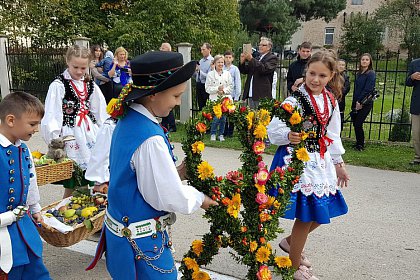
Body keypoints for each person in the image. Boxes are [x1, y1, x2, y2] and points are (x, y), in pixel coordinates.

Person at [86, 51, 218, 279]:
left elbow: (137, 179)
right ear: (154, 94)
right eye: (176, 96)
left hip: (121, 239)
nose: (178, 103)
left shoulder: (126, 120)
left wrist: (176, 173)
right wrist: (202, 199)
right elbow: (167, 196)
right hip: (141, 245)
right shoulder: (150, 138)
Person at [267, 51, 350, 280]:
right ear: (306, 72)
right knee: (306, 215)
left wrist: (338, 163)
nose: (315, 79)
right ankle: (292, 268)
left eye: (322, 75)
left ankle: (290, 244)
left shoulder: (331, 101)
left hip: (320, 162)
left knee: (321, 212)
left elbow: (332, 134)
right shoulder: (294, 100)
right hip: (297, 160)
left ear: (331, 75)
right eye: (312, 73)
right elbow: (273, 130)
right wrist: (288, 134)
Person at [41, 45, 108, 198]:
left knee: (92, 177)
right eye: (75, 67)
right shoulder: (59, 85)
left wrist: (105, 132)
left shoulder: (90, 84)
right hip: (71, 134)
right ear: (67, 62)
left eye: (83, 68)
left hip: (90, 133)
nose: (79, 71)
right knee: (74, 180)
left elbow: (100, 111)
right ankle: (66, 213)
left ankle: (88, 211)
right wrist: (54, 139)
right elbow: (53, 113)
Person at [0, 91, 51, 279]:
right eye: (32, 124)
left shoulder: (23, 148)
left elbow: (30, 180)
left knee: (37, 272)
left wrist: (35, 207)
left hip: (24, 228)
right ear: (11, 120)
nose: (37, 129)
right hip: (3, 237)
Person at [239, 37, 278, 109]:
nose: (260, 47)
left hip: (262, 94)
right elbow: (245, 71)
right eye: (259, 45)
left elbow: (264, 69)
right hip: (252, 93)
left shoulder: (272, 58)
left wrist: (251, 59)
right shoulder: (257, 58)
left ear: (269, 47)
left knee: (262, 118)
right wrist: (242, 62)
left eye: (263, 45)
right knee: (252, 117)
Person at [205, 54, 233, 142]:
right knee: (216, 118)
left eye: (222, 62)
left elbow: (231, 86)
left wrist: (224, 91)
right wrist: (217, 89)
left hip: (225, 99)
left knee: (223, 118)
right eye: (218, 62)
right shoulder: (210, 74)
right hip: (214, 99)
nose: (220, 64)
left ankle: (221, 134)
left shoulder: (227, 74)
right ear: (215, 63)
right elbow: (207, 88)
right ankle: (213, 133)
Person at [351, 53, 376, 151]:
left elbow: (368, 89)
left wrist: (360, 102)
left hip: (364, 102)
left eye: (366, 60)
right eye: (363, 59)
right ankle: (358, 142)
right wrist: (355, 101)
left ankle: (360, 145)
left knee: (358, 123)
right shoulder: (359, 73)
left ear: (370, 62)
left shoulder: (371, 74)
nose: (364, 61)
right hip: (356, 101)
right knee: (355, 123)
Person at [159, 42, 177, 132]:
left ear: (168, 50)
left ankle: (172, 125)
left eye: (163, 48)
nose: (160, 50)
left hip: (168, 84)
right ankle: (164, 123)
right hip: (163, 83)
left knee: (168, 105)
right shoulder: (162, 59)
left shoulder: (170, 59)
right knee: (164, 104)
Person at [223, 50, 241, 137]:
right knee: (224, 113)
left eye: (230, 57)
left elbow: (237, 82)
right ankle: (224, 130)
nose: (228, 59)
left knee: (232, 114)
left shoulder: (235, 69)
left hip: (232, 95)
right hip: (224, 95)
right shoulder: (221, 68)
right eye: (226, 57)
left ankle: (230, 131)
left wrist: (237, 95)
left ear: (232, 58)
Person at [406, 57, 420, 165]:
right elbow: (407, 82)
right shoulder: (414, 63)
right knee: (416, 133)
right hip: (417, 103)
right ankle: (418, 157)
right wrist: (412, 77)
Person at [194, 43, 214, 111]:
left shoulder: (212, 61)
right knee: (200, 106)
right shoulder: (201, 61)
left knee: (206, 107)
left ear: (209, 50)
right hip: (199, 85)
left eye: (203, 49)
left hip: (206, 85)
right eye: (201, 50)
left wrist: (199, 71)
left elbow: (209, 76)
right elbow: (197, 75)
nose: (202, 51)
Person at [337, 59, 350, 130]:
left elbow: (347, 88)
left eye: (343, 65)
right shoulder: (331, 75)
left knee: (339, 118)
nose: (341, 66)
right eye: (339, 64)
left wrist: (340, 93)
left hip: (341, 100)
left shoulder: (346, 77)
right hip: (331, 99)